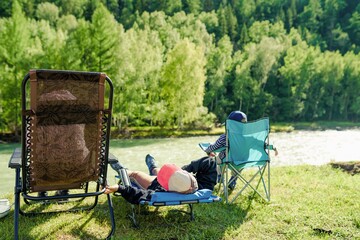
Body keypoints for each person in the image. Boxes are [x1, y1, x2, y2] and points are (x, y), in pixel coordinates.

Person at [104, 154, 218, 204]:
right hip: (174, 182)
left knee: (136, 174)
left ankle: (121, 169)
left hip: (158, 184)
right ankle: (153, 166)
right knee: (158, 172)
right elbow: (210, 161)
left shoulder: (159, 192)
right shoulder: (204, 185)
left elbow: (138, 194)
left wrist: (119, 188)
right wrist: (181, 171)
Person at [203, 110, 248, 190]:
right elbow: (259, 144)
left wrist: (207, 150)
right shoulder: (247, 137)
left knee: (217, 159)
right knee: (239, 162)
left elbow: (214, 147)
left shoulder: (225, 137)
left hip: (227, 160)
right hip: (242, 161)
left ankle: (220, 175)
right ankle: (233, 179)